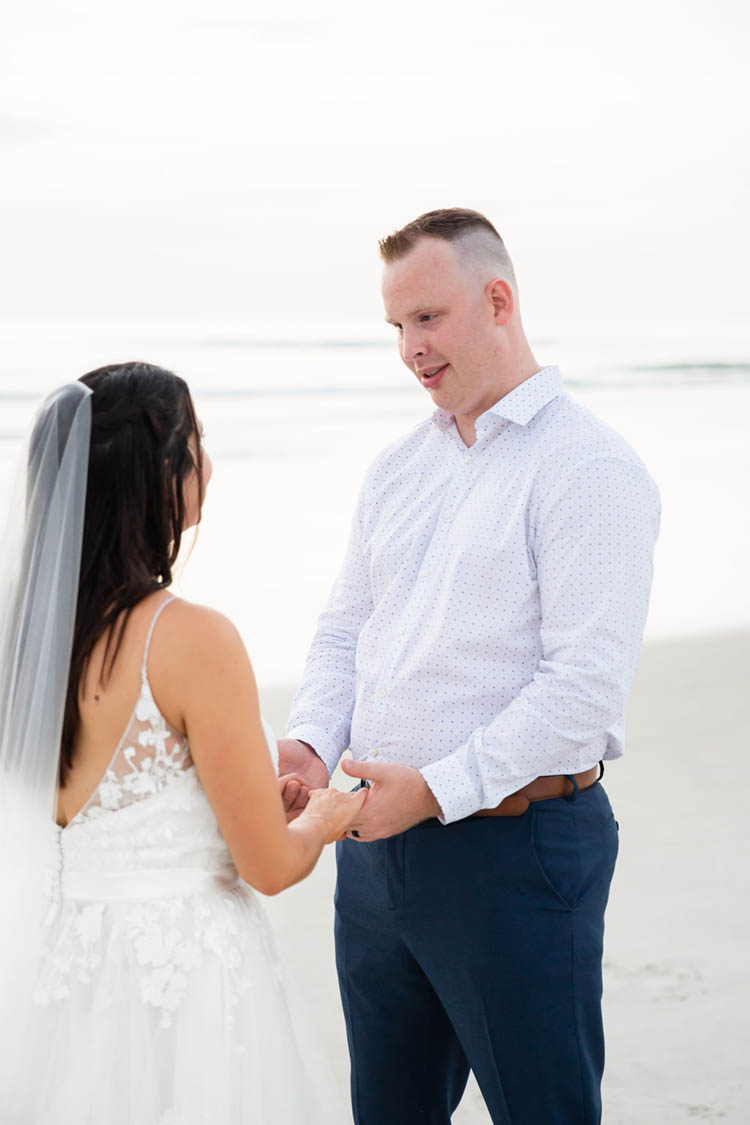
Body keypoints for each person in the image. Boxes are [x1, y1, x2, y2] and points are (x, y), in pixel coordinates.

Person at [279, 209, 661, 1124]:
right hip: (373, 861)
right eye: (396, 327)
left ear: (498, 301)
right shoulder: (397, 469)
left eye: (428, 318)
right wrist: (307, 740)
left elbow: (581, 694)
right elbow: (345, 632)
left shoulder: (590, 467)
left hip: (517, 855)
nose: (410, 347)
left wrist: (437, 789)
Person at [0, 362, 366, 1124]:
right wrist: (326, 816)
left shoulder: (26, 646)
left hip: (74, 970)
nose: (207, 458)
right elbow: (268, 866)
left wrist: (247, 810)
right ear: (159, 474)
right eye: (195, 439)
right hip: (186, 980)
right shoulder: (190, 638)